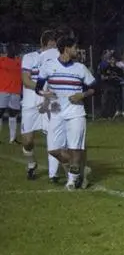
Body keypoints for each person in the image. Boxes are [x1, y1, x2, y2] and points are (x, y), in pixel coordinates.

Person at [37, 37, 96, 190]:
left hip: (76, 112)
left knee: (75, 147)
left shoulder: (80, 68)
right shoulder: (48, 66)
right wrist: (45, 93)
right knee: (53, 149)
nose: (77, 51)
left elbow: (95, 87)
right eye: (75, 48)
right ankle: (79, 169)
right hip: (56, 111)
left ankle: (72, 181)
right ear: (67, 49)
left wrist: (82, 95)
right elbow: (38, 87)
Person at [20, 33, 57, 180]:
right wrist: (42, 90)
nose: (55, 47)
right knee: (27, 141)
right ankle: (31, 164)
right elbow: (26, 81)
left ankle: (53, 174)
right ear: (46, 43)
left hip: (51, 102)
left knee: (53, 137)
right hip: (31, 102)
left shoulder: (56, 59)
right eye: (53, 44)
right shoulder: (29, 57)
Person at [0, 44, 22, 145]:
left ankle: (12, 139)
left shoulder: (19, 62)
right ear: (7, 50)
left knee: (13, 114)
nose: (13, 50)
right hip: (3, 91)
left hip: (15, 91)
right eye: (11, 48)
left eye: (15, 48)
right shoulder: (2, 60)